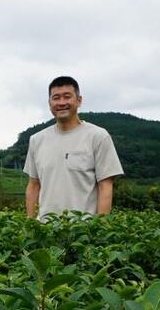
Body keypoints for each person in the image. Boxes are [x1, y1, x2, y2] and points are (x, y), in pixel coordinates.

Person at [24, 76, 124, 220]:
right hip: (44, 231)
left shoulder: (98, 136)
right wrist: (30, 224)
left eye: (67, 97)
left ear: (79, 100)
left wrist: (101, 228)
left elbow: (105, 186)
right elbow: (33, 186)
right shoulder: (36, 140)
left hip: (84, 232)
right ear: (49, 103)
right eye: (56, 98)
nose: (61, 102)